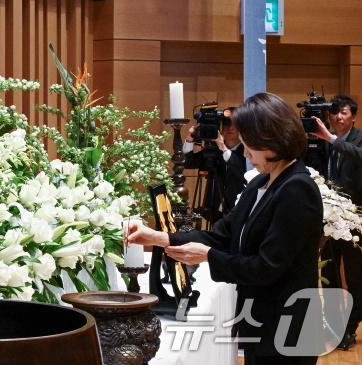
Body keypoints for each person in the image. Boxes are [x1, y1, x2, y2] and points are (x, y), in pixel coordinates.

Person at [128, 93, 323, 364]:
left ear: (270, 139)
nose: (246, 150)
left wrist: (208, 256)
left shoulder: (297, 188)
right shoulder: (261, 182)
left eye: (249, 142)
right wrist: (158, 237)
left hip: (289, 329)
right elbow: (221, 234)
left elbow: (266, 267)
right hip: (263, 323)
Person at [311, 94, 362, 349]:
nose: (338, 117)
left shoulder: (358, 139)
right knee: (329, 274)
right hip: (329, 221)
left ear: (353, 117)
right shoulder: (324, 141)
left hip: (355, 221)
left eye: (344, 112)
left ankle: (351, 327)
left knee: (355, 276)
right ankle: (333, 326)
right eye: (335, 113)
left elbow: (358, 155)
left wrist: (331, 140)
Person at [184, 107, 247, 215]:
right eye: (226, 123)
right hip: (214, 210)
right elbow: (188, 163)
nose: (230, 127)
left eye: (235, 124)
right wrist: (190, 139)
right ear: (220, 128)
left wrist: (223, 147)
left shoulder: (248, 151)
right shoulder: (214, 150)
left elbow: (241, 170)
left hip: (240, 210)